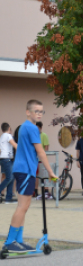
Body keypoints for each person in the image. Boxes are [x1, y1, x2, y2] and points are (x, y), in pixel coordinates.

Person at [2, 100, 57, 253]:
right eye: (36, 111)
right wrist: (50, 172)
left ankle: (18, 240)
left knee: (24, 206)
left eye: (41, 111)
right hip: (26, 170)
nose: (39, 113)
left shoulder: (23, 128)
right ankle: (9, 241)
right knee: (22, 206)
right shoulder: (32, 128)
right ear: (28, 112)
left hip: (22, 169)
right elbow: (40, 152)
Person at [0, 123, 18, 204]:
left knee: (12, 177)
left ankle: (9, 197)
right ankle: (6, 196)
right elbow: (15, 145)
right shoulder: (8, 136)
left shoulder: (2, 137)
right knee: (9, 177)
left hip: (3, 159)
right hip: (7, 159)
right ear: (9, 128)